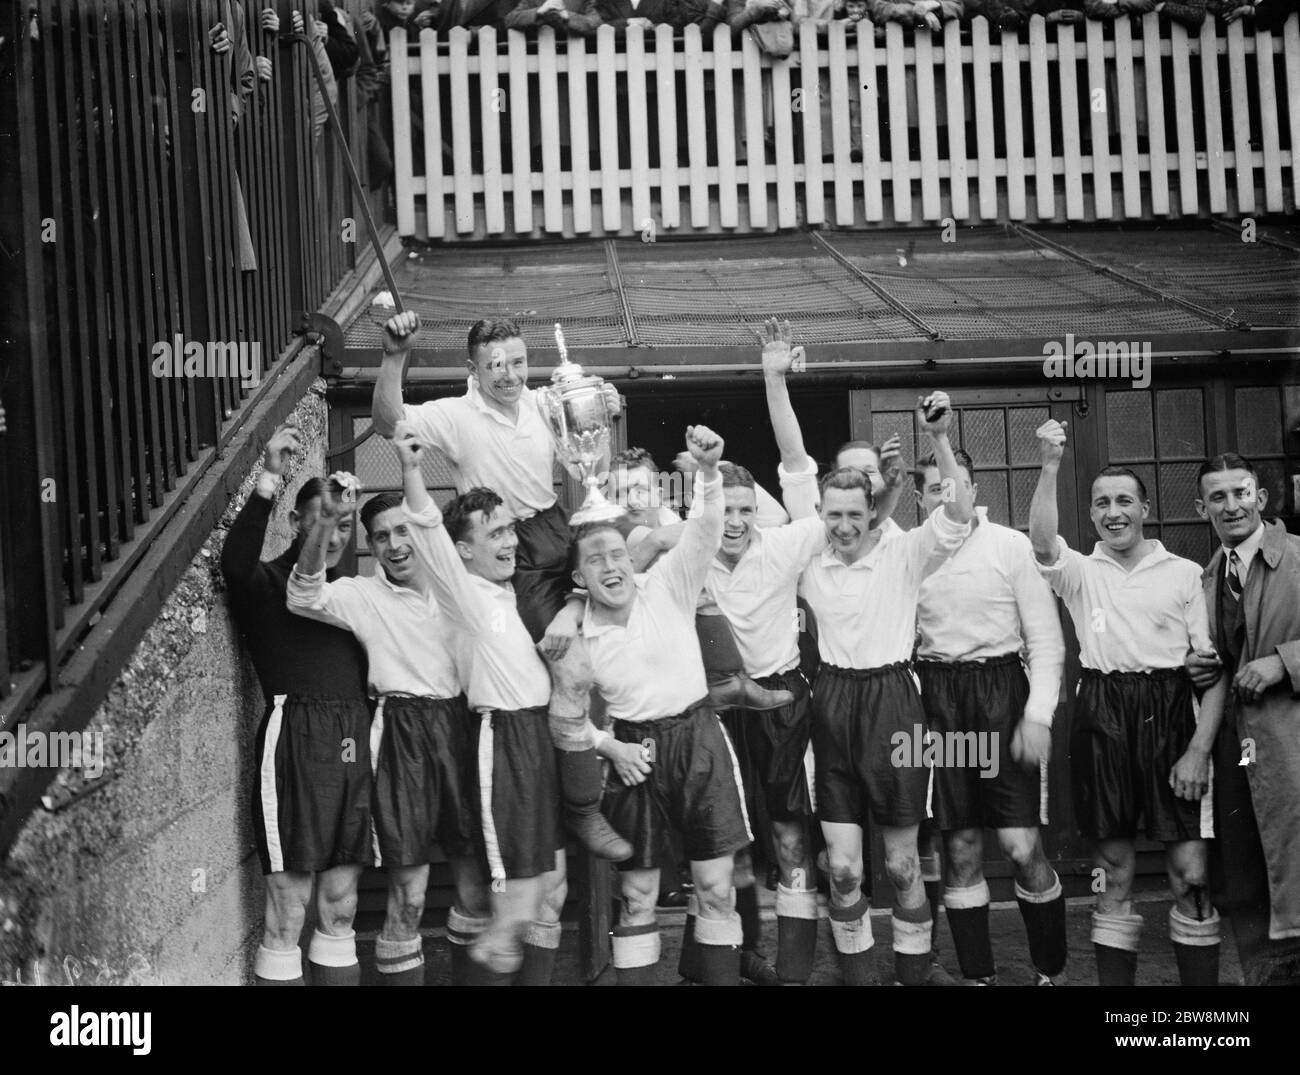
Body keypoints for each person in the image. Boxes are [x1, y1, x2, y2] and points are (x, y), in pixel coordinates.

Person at [371, 313, 630, 861]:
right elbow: (388, 419)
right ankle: (583, 808)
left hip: (557, 526)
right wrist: (395, 356)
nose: (508, 375)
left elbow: (592, 468)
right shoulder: (456, 416)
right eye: (495, 366)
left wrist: (599, 419)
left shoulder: (542, 403)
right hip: (509, 548)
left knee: (643, 556)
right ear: (473, 369)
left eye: (516, 362)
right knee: (571, 668)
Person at [770, 358, 973, 987]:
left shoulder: (905, 553)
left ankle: (913, 977)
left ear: (874, 511)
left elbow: (959, 510)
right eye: (833, 515)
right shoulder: (810, 561)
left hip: (893, 702)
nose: (844, 526)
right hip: (832, 701)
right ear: (821, 514)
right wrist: (774, 380)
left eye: (856, 514)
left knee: (905, 864)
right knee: (844, 869)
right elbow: (794, 456)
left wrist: (938, 437)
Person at [1028, 419, 1226, 987]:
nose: (1113, 512)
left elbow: (1209, 674)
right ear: (1090, 515)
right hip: (1104, 716)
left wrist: (1196, 750)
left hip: (1170, 714)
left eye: (1124, 501)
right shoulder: (1080, 573)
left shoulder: (1186, 574)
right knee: (1113, 872)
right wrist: (1048, 465)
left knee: (1190, 875)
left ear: (1144, 509)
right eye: (1101, 504)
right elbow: (1043, 542)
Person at [286, 472, 486, 987]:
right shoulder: (361, 594)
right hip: (401, 733)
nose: (394, 545)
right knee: (410, 894)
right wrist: (328, 519)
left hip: (464, 725)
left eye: (403, 532)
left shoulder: (460, 584)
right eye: (380, 536)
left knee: (475, 887)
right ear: (370, 546)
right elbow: (303, 596)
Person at [576, 425, 754, 985]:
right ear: (580, 576)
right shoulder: (574, 633)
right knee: (636, 896)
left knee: (717, 887)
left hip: (697, 737)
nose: (610, 567)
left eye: (616, 555)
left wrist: (705, 473)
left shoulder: (668, 585)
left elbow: (703, 531)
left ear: (631, 558)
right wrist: (607, 744)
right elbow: (557, 714)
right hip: (633, 751)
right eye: (595, 560)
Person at [393, 433, 571, 985]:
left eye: (509, 529)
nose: (509, 541)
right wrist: (411, 470)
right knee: (511, 905)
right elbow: (426, 527)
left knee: (552, 889)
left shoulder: (515, 593)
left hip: (540, 738)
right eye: (494, 533)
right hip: (504, 741)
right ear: (464, 550)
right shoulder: (462, 592)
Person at [222, 426, 373, 987]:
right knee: (289, 907)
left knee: (341, 904)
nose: (333, 535)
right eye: (321, 519)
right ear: (296, 522)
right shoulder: (268, 583)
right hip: (296, 739)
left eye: (342, 523)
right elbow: (234, 564)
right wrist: (268, 480)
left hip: (353, 740)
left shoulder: (353, 597)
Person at [912, 447, 1068, 986]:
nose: (948, 495)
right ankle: (979, 977)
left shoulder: (1010, 545)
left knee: (1021, 846)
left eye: (956, 486)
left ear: (974, 490)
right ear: (921, 498)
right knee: (959, 846)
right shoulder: (914, 553)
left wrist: (1039, 714)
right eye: (935, 489)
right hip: (938, 702)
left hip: (1002, 695)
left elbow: (1046, 639)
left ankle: (1050, 971)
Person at [1187, 453, 1300, 985]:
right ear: (1202, 507)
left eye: (1241, 492)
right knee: (1245, 870)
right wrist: (1199, 666)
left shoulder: (1298, 558)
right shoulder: (1208, 577)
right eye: (1218, 497)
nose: (1231, 506)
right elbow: (1221, 663)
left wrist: (1284, 661)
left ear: (1260, 497)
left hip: (1293, 742)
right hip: (1240, 746)